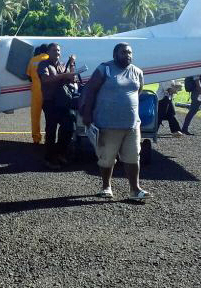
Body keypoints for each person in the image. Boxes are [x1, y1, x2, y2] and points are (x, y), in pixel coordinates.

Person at [80, 43, 151, 201]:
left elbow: (137, 92)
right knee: (107, 158)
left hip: (132, 125)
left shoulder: (137, 72)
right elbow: (90, 90)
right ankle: (106, 187)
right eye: (123, 52)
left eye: (130, 52)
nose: (127, 55)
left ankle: (135, 190)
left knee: (133, 157)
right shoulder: (104, 69)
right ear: (114, 55)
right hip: (107, 124)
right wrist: (87, 114)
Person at [38, 43, 77, 169]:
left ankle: (60, 153)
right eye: (54, 50)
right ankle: (49, 158)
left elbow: (71, 79)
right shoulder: (43, 64)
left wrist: (71, 64)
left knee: (69, 126)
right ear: (48, 52)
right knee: (51, 130)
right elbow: (45, 80)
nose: (57, 53)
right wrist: (64, 75)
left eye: (59, 50)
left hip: (63, 102)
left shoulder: (61, 66)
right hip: (50, 102)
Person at [26, 44, 49, 144]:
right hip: (49, 91)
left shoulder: (33, 60)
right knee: (50, 116)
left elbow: (29, 77)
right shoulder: (49, 58)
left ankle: (36, 138)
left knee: (35, 116)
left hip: (36, 91)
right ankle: (49, 137)